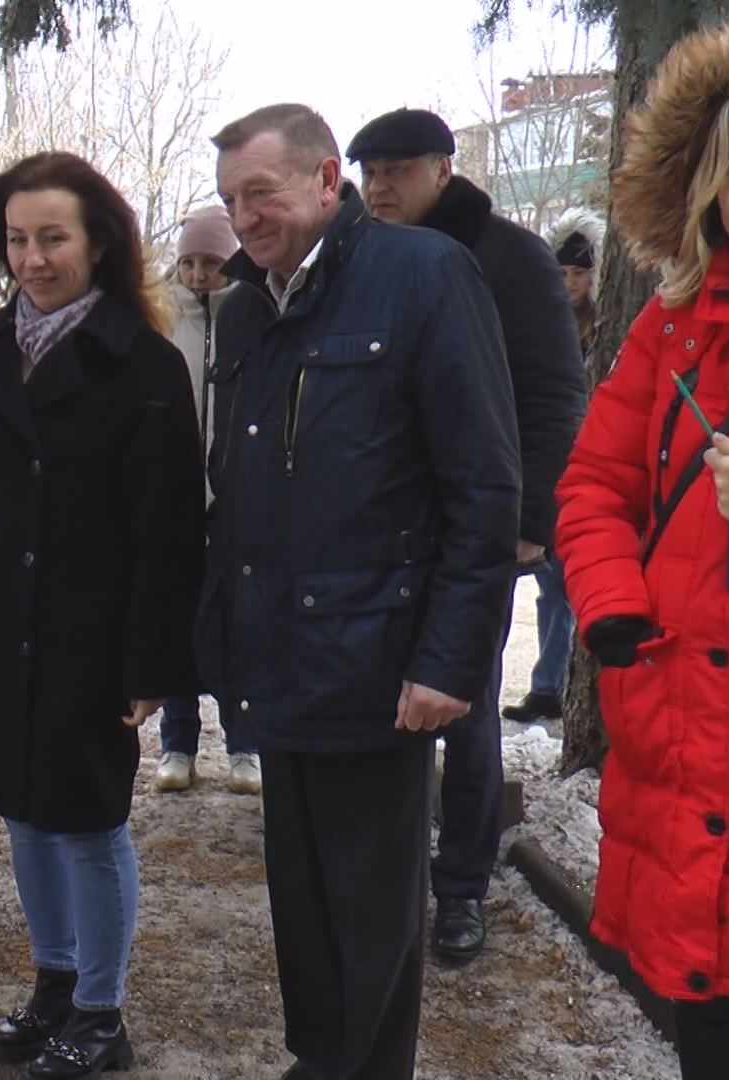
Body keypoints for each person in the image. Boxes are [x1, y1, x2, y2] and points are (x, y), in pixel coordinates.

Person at [200, 104, 519, 1080]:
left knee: (372, 912)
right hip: (282, 659)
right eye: (229, 200)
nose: (244, 218)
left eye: (261, 193)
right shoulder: (246, 309)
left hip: (381, 664)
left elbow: (483, 484)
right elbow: (240, 491)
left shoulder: (423, 276)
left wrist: (449, 659)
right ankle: (325, 1059)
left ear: (325, 177)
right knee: (303, 905)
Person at [555, 8, 729, 1077]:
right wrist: (610, 605)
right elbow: (595, 483)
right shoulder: (669, 325)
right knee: (698, 986)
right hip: (682, 721)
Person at [0, 150, 202, 1079]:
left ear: (97, 242)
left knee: (88, 823)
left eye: (52, 238)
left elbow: (168, 530)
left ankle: (102, 1013)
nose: (31, 259)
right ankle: (55, 983)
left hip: (89, 637)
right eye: (16, 240)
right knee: (24, 815)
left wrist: (152, 662)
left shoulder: (144, 366)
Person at [346, 107, 587, 966]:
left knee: (469, 708)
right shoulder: (359, 255)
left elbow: (554, 393)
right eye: (369, 171)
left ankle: (461, 886)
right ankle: (381, 876)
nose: (380, 187)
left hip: (474, 528)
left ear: (443, 169)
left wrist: (524, 526)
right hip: (376, 530)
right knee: (376, 704)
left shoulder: (508, 255)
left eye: (398, 170)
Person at [155, 206, 261, 797]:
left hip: (235, 496)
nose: (198, 275)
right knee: (179, 621)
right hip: (177, 493)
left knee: (237, 624)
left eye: (211, 263)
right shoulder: (163, 317)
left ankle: (245, 744)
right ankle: (178, 743)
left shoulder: (251, 313)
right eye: (189, 263)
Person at [504, 208, 607, 729]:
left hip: (590, 467)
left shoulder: (605, 327)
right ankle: (546, 685)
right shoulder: (542, 323)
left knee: (570, 584)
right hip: (549, 467)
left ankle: (559, 683)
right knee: (548, 586)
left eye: (579, 273)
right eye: (562, 272)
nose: (569, 283)